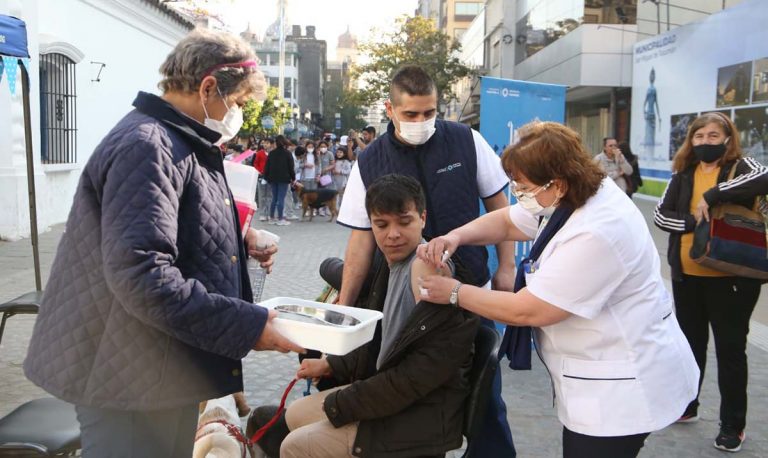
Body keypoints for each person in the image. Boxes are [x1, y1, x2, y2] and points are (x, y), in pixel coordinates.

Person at [22, 28, 303, 457]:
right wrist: (247, 325)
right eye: (238, 102)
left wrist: (238, 238)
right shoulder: (148, 146)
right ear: (208, 88)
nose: (238, 114)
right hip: (128, 371)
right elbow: (142, 273)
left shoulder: (180, 139)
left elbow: (171, 223)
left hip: (160, 364)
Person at [417, 121, 699, 458]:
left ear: (558, 183)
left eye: (524, 187)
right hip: (599, 376)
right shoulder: (571, 196)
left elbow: (529, 309)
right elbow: (507, 221)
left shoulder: (598, 230)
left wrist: (454, 292)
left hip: (623, 388)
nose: (518, 194)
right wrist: (456, 236)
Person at [336, 64, 517, 457]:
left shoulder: (466, 141)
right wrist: (345, 305)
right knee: (409, 391)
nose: (422, 122)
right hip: (405, 303)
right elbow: (361, 240)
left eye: (430, 112)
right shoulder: (370, 161)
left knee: (485, 396)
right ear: (390, 109)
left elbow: (501, 208)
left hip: (471, 291)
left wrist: (507, 267)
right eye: (411, 114)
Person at [281, 174, 479, 457]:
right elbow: (378, 341)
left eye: (404, 222)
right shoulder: (387, 265)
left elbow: (418, 374)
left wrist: (343, 402)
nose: (393, 234)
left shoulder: (427, 267)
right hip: (394, 396)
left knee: (295, 446)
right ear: (371, 225)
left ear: (423, 218)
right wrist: (331, 365)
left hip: (422, 413)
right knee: (296, 414)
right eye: (382, 225)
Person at [654, 112, 768, 452]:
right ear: (691, 141)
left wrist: (714, 195)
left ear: (727, 139)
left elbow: (765, 176)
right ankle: (687, 405)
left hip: (732, 277)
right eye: (699, 136)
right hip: (687, 276)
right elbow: (660, 215)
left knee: (730, 350)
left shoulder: (742, 167)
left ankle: (733, 425)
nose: (705, 142)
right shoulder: (683, 174)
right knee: (690, 346)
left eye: (713, 136)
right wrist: (693, 222)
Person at [264, 135, 296, 226]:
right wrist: (293, 178)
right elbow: (291, 168)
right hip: (284, 178)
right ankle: (280, 218)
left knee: (274, 198)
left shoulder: (271, 153)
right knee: (281, 198)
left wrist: (266, 177)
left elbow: (267, 167)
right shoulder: (288, 153)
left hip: (272, 178)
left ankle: (271, 217)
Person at [255, 137, 272, 221]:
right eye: (264, 143)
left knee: (269, 196)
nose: (265, 144)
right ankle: (262, 214)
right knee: (262, 196)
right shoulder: (259, 153)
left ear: (271, 144)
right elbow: (255, 164)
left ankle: (269, 213)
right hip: (261, 177)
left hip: (270, 177)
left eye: (267, 143)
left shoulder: (273, 153)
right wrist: (259, 171)